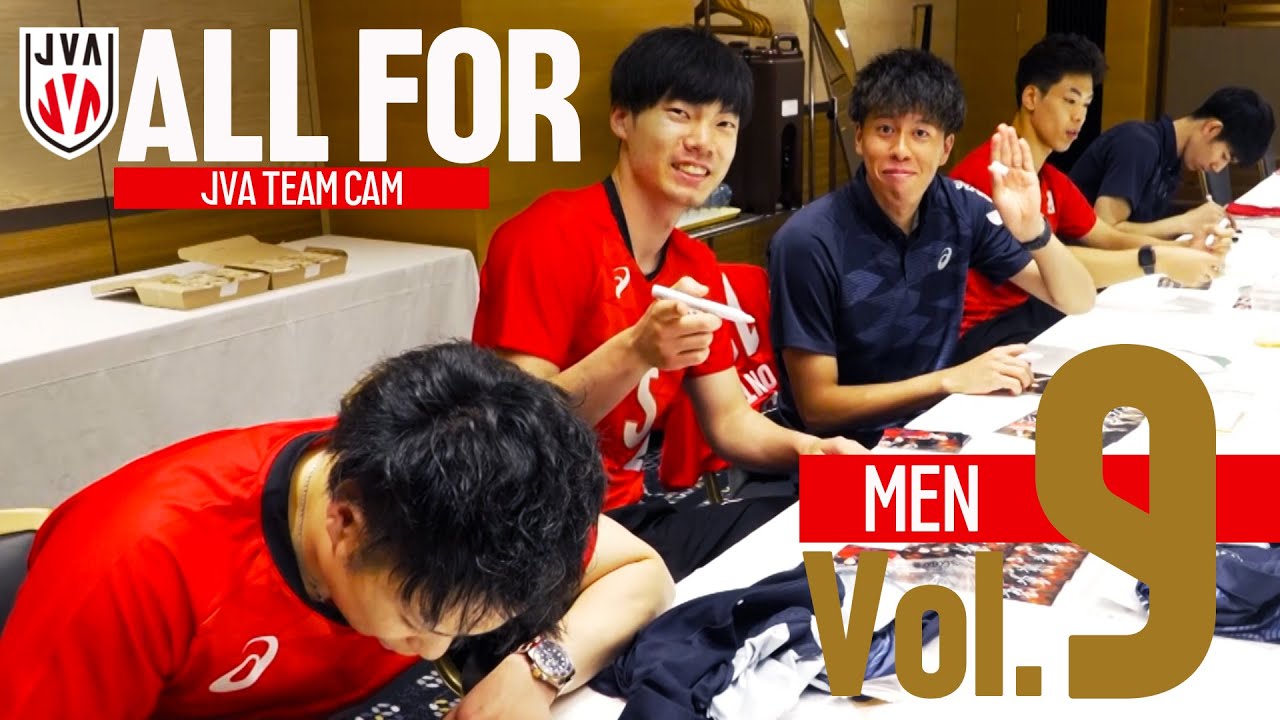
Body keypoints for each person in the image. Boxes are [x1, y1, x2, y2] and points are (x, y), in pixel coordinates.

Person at [0, 342, 674, 720]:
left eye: (468, 629)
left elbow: (640, 572)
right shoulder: (137, 561)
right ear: (345, 523)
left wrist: (537, 671)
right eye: (420, 620)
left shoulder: (472, 496)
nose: (433, 649)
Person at [472, 27, 863, 578]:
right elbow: (518, 432)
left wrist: (813, 451)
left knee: (829, 522)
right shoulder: (547, 237)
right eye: (680, 114)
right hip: (531, 532)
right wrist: (636, 350)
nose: (703, 141)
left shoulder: (693, 263)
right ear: (622, 119)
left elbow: (729, 420)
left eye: (724, 123)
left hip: (627, 517)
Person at [767, 48, 1097, 448]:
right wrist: (948, 380)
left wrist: (1034, 231)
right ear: (859, 139)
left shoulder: (961, 209)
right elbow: (818, 407)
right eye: (885, 129)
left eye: (921, 133)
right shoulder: (808, 241)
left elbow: (1077, 299)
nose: (901, 149)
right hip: (843, 452)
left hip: (936, 426)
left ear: (945, 148)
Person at [950, 33, 1231, 360]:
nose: (1079, 116)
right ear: (1031, 97)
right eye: (1070, 101)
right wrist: (1158, 259)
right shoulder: (990, 176)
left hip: (1026, 312)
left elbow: (1107, 237)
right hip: (978, 333)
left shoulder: (1051, 179)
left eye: (1086, 104)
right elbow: (1045, 266)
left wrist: (1183, 249)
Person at [1070, 85, 1275, 238]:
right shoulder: (1138, 145)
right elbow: (1103, 232)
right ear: (1212, 129)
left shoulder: (1173, 160)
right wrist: (1185, 222)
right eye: (1224, 156)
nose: (1217, 168)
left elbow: (1144, 231)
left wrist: (1195, 228)